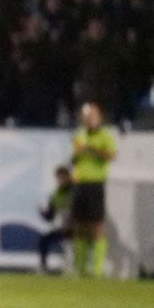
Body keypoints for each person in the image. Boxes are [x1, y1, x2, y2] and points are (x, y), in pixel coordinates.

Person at [71, 102, 116, 277]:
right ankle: (80, 267)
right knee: (79, 225)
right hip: (80, 183)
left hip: (95, 184)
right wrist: (76, 153)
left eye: (92, 117)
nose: (89, 120)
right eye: (86, 117)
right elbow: (75, 159)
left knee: (96, 226)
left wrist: (89, 149)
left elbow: (111, 155)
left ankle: (96, 269)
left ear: (99, 118)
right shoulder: (79, 135)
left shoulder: (105, 136)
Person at [37, 165, 74, 273]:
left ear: (68, 177)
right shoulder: (55, 195)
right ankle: (43, 266)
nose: (60, 181)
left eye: (63, 178)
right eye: (58, 178)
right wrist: (42, 212)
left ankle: (78, 267)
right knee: (43, 239)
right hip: (64, 228)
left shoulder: (75, 192)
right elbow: (50, 217)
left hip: (78, 227)